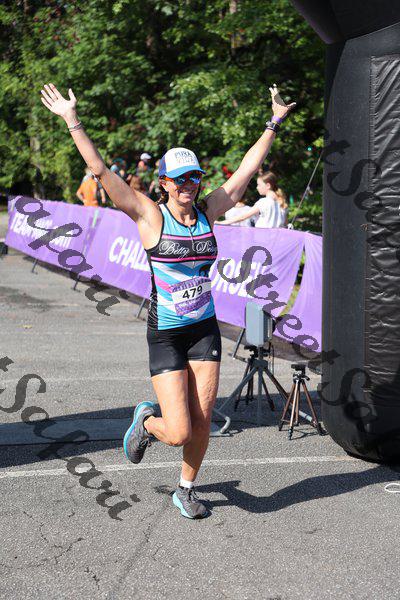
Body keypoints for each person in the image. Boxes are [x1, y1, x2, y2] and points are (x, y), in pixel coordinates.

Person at [40, 82, 295, 519]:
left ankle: (186, 488)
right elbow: (100, 171)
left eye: (194, 177)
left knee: (203, 419)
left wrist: (273, 122)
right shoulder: (149, 215)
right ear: (164, 183)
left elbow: (247, 170)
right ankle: (146, 422)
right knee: (177, 432)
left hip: (204, 329)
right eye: (179, 179)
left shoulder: (208, 210)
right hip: (167, 333)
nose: (188, 185)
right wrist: (72, 119)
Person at [219, 171, 288, 228]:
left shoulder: (264, 202)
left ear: (268, 185)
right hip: (276, 239)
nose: (257, 187)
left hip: (263, 238)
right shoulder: (282, 203)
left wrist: (222, 222)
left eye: (259, 185)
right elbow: (285, 224)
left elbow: (243, 217)